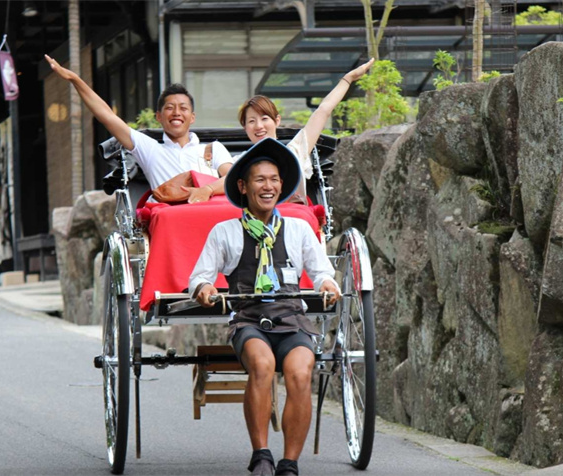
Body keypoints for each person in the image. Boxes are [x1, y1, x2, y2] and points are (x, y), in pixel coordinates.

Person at [189, 138, 341, 476]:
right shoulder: (224, 231)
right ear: (243, 187)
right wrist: (205, 287)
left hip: (292, 319)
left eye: (274, 179)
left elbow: (321, 273)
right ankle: (261, 454)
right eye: (260, 180)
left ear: (281, 185)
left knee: (301, 373)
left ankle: (289, 462)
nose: (268, 186)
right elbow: (199, 276)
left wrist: (328, 284)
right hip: (249, 321)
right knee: (262, 364)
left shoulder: (300, 228)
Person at [44, 54, 232, 203]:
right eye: (169, 108)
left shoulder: (212, 149)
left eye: (183, 108)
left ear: (192, 117)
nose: (176, 113)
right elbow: (107, 116)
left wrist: (206, 190)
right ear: (159, 116)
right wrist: (75, 79)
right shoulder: (150, 149)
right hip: (170, 224)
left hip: (210, 221)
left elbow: (234, 179)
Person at [238, 58, 374, 201]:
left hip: (291, 219)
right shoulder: (238, 163)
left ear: (277, 121)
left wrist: (348, 79)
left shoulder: (294, 151)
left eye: (264, 118)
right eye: (252, 121)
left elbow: (323, 110)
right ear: (245, 127)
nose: (259, 126)